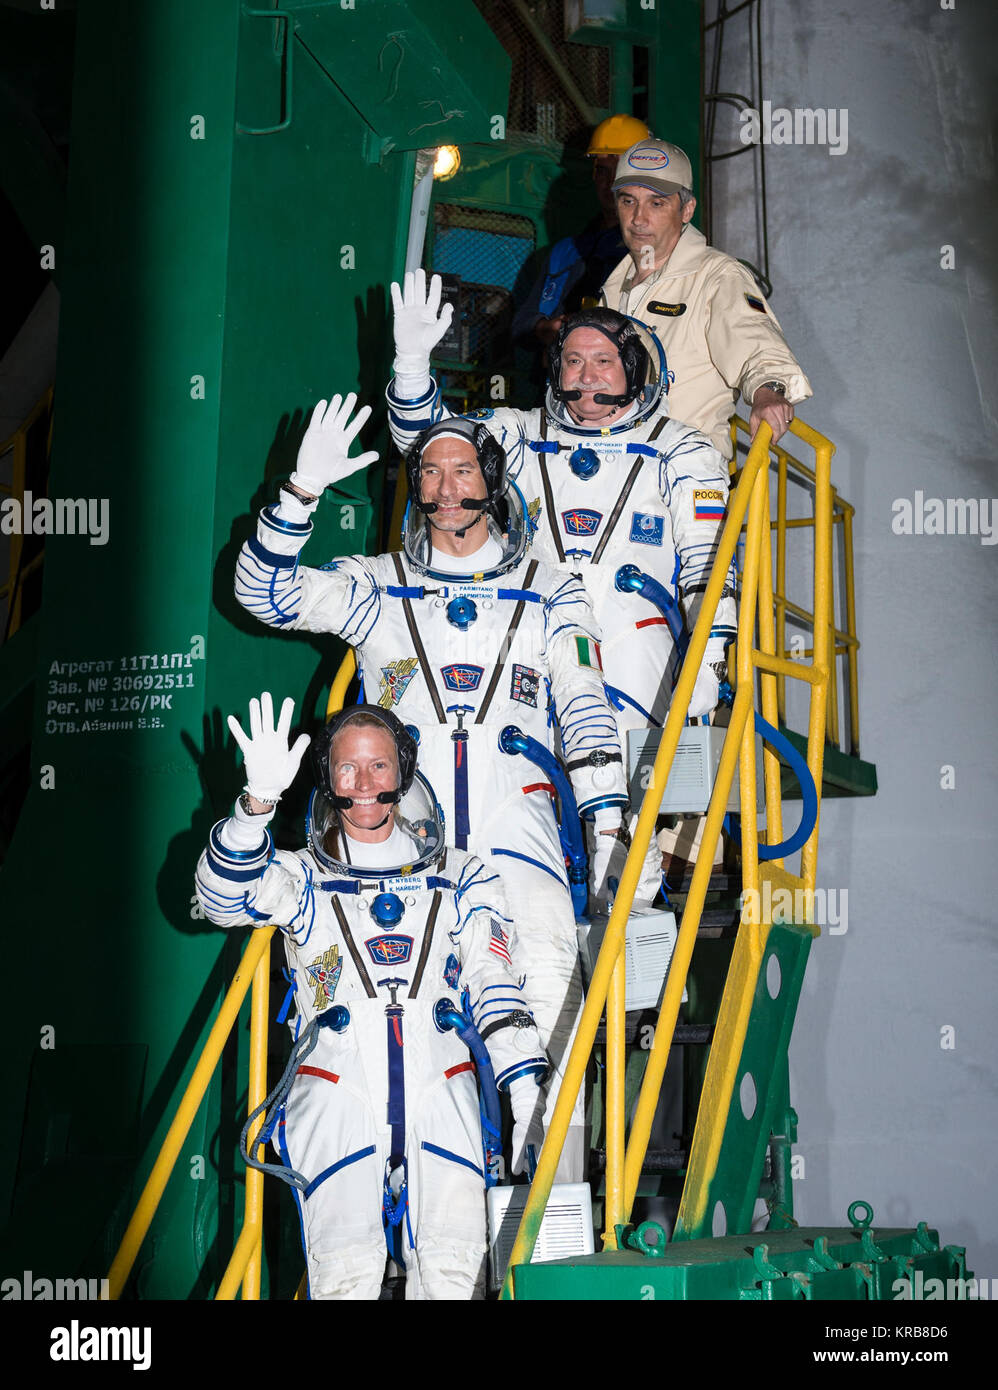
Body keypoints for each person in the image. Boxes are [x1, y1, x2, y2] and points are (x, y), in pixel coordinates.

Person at [234, 395, 629, 1179]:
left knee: (548, 1026)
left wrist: (609, 830)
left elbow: (585, 706)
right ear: (415, 489)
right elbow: (264, 595)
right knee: (420, 1066)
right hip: (408, 865)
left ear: (494, 479)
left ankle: (552, 1236)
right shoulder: (375, 585)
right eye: (430, 472)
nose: (447, 487)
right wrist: (300, 494)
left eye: (463, 468)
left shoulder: (553, 587)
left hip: (524, 851)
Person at [386, 281, 737, 905]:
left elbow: (708, 565)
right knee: (532, 807)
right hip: (533, 648)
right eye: (573, 360)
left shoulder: (681, 448)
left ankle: (631, 970)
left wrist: (707, 663)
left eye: (603, 361)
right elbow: (432, 452)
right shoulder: (519, 436)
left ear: (635, 368)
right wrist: (413, 367)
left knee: (624, 818)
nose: (586, 375)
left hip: (637, 656)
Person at [195, 695, 547, 1300]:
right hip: (338, 1095)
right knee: (344, 1275)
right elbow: (220, 901)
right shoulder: (303, 875)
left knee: (454, 1270)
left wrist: (523, 1087)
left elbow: (495, 980)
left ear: (404, 773)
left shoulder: (462, 875)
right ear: (328, 781)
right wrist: (253, 811)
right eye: (348, 769)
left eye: (378, 766)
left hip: (442, 1088)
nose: (363, 783)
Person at [600, 137, 812, 458]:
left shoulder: (716, 276)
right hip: (616, 466)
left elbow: (755, 342)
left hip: (685, 476)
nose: (638, 218)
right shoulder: (614, 287)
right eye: (629, 201)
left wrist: (769, 392)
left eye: (657, 204)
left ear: (686, 210)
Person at [512, 113, 650, 351]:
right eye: (602, 171)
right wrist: (547, 329)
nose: (610, 183)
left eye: (620, 172)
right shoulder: (565, 252)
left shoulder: (653, 250)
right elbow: (521, 326)